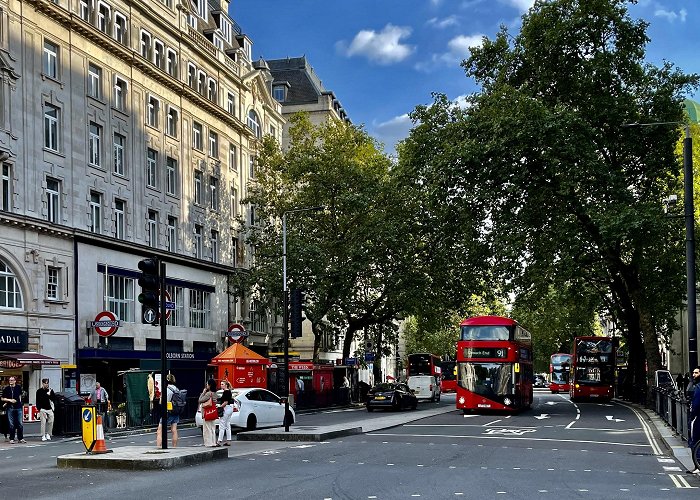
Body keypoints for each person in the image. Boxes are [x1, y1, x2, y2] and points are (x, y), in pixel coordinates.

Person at [156, 373, 179, 448]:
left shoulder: (167, 389)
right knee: (174, 430)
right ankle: (174, 447)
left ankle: (159, 447)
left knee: (160, 430)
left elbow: (161, 401)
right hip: (175, 411)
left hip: (167, 411)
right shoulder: (176, 389)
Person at [1, 376, 25, 444]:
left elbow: (20, 395)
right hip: (10, 407)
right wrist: (10, 400)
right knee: (11, 424)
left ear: (15, 381)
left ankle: (20, 438)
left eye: (12, 380)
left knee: (20, 423)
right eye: (10, 380)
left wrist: (20, 402)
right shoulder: (6, 389)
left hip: (18, 407)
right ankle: (11, 438)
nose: (10, 381)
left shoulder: (18, 387)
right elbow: (2, 398)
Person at [688, 367, 700, 474]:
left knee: (695, 441)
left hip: (698, 418)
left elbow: (696, 405)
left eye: (696, 373)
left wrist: (692, 417)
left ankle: (698, 466)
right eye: (693, 373)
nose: (694, 375)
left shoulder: (698, 387)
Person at [199, 379, 217, 447]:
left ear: (210, 385)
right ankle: (213, 442)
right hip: (213, 412)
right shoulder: (215, 393)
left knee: (207, 428)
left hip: (207, 412)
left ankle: (208, 443)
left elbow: (200, 400)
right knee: (213, 428)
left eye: (207, 384)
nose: (206, 385)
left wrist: (203, 392)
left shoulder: (208, 393)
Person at [217, 380, 234, 447]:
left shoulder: (226, 392)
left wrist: (220, 407)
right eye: (221, 384)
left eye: (222, 384)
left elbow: (225, 402)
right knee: (227, 425)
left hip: (226, 408)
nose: (221, 385)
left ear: (226, 385)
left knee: (222, 425)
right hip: (230, 409)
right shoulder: (228, 391)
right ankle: (228, 441)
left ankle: (219, 441)